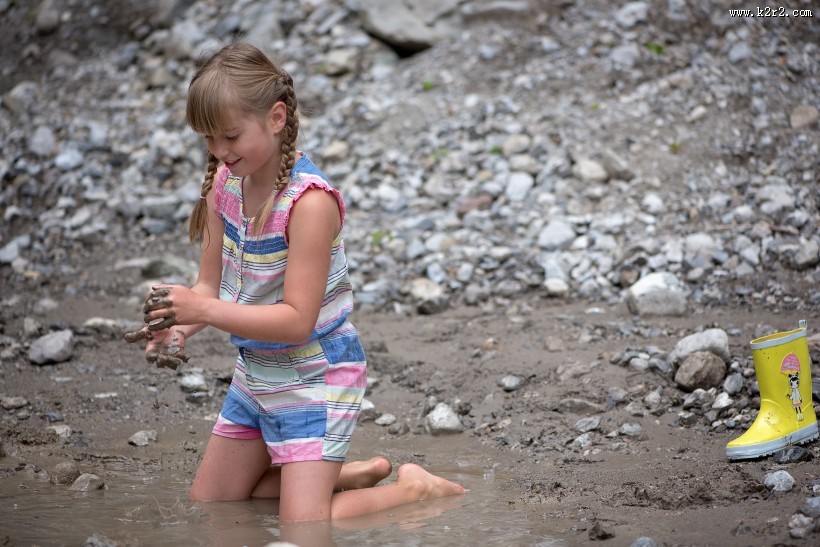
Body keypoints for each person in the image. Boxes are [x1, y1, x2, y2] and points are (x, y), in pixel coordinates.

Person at [128, 42, 465, 522]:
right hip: (257, 373)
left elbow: (297, 321)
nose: (219, 152)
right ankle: (340, 474)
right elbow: (208, 288)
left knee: (306, 526)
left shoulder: (309, 204)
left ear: (277, 118)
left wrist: (203, 311)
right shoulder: (223, 187)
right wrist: (180, 323)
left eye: (229, 136)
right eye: (207, 139)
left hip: (315, 375)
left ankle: (413, 489)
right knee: (215, 505)